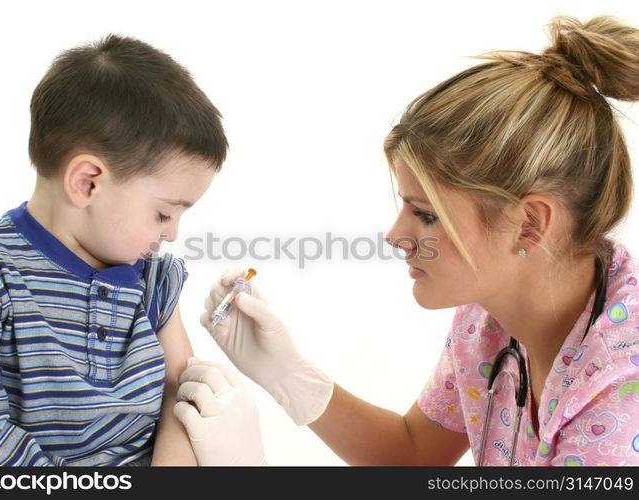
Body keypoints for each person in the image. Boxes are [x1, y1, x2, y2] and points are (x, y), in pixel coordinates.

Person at [174, 15, 639, 466]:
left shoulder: (623, 390)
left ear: (530, 225)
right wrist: (291, 377)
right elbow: (414, 455)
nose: (396, 236)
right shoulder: (486, 319)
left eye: (426, 214)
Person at [0, 33, 228, 466]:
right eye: (165, 214)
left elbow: (181, 396)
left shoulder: (153, 279)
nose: (171, 235)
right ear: (87, 181)